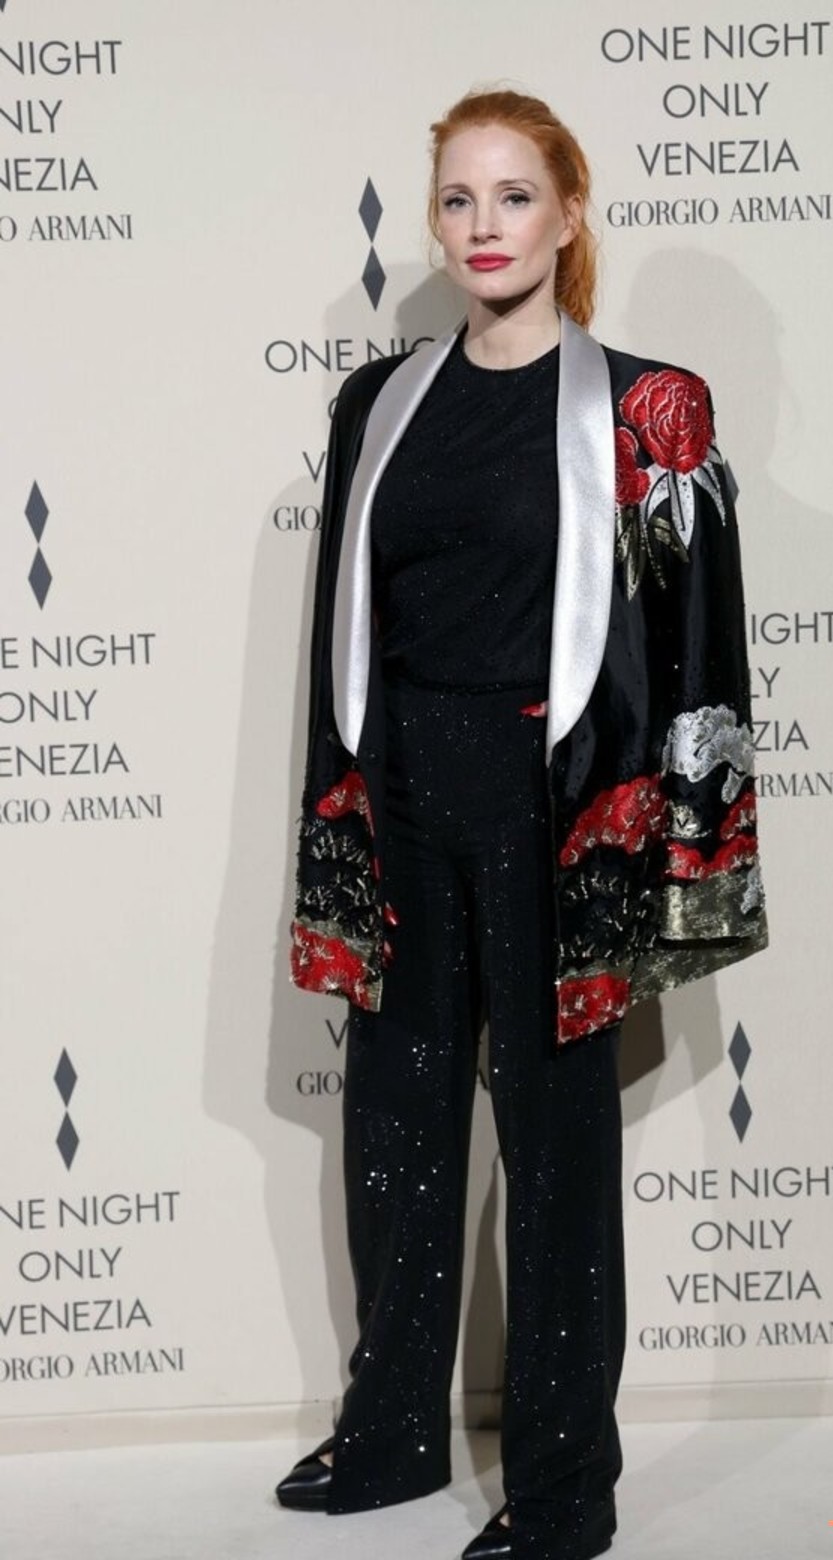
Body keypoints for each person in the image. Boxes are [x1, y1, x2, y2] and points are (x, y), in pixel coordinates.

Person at [275, 87, 767, 1560]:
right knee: (394, 1126)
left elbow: (700, 644)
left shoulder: (650, 406)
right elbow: (345, 630)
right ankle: (391, 1433)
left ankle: (561, 1488)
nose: (482, 225)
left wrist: (682, 870)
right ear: (436, 224)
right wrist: (344, 813)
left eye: (512, 196)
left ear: (567, 214)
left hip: (556, 817)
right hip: (401, 801)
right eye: (457, 199)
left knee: (555, 1154)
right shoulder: (377, 402)